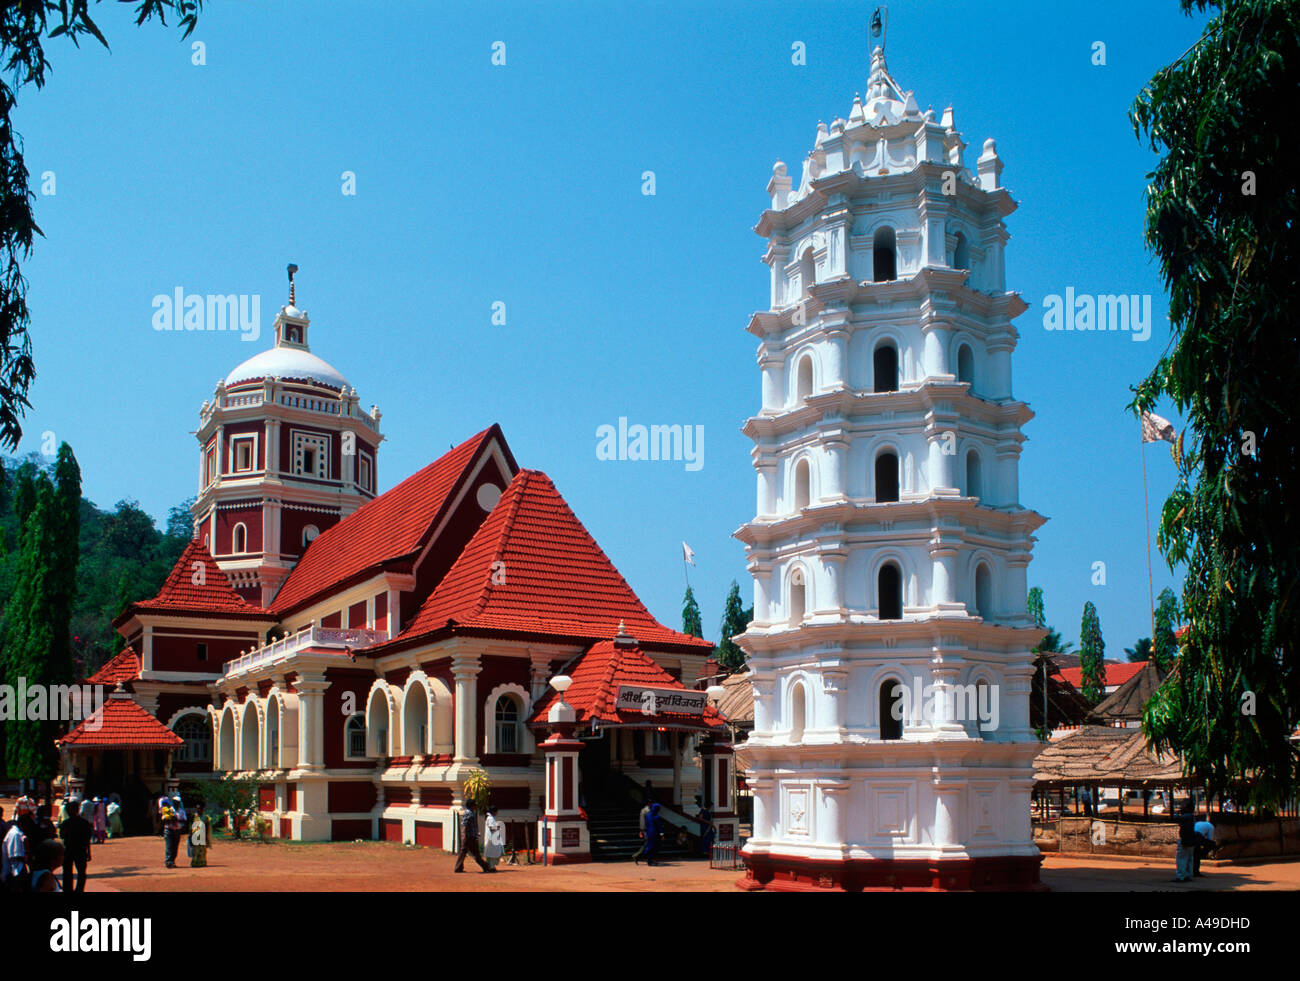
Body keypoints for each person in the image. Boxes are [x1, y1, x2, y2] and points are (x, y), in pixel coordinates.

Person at [59, 798, 94, 894]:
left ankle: (70, 889)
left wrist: (88, 852)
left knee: (70, 872)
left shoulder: (66, 823)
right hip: (77, 850)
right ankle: (77, 889)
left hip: (72, 850)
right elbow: (87, 839)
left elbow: (61, 836)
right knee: (78, 872)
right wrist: (88, 852)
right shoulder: (83, 823)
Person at [452, 804, 494, 873]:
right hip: (470, 837)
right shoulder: (469, 814)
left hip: (470, 836)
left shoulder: (469, 813)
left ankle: (458, 867)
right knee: (475, 853)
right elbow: (464, 824)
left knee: (464, 852)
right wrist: (465, 835)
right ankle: (486, 867)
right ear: (472, 806)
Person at [2, 815, 31, 888]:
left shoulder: (18, 833)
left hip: (17, 868)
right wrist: (28, 858)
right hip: (14, 870)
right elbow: (15, 855)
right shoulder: (15, 834)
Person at [1173, 800, 1198, 882]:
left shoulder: (1186, 816)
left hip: (1185, 839)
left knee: (1181, 858)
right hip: (1191, 839)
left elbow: (1175, 818)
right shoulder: (1191, 816)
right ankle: (1188, 875)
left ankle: (1181, 876)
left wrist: (1177, 812)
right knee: (1189, 858)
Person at [160, 795, 184, 868]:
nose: (177, 803)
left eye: (178, 802)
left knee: (175, 846)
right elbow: (163, 819)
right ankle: (168, 861)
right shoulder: (168, 810)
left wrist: (177, 820)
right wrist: (170, 819)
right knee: (169, 846)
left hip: (177, 830)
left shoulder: (181, 811)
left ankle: (172, 861)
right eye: (175, 802)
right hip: (169, 829)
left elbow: (184, 820)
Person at [189, 803, 213, 868]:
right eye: (197, 808)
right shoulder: (194, 816)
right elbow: (191, 827)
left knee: (202, 850)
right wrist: (190, 836)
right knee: (195, 850)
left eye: (199, 808)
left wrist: (207, 837)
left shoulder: (205, 817)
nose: (198, 810)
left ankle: (202, 862)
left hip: (202, 835)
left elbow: (207, 827)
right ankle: (195, 863)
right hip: (195, 835)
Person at [633, 796, 653, 865]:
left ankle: (637, 856)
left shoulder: (648, 810)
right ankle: (646, 859)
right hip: (647, 830)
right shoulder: (646, 811)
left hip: (649, 829)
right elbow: (643, 821)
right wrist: (642, 830)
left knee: (647, 844)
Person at [643, 802, 663, 867]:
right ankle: (650, 861)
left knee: (649, 846)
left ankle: (650, 860)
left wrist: (645, 833)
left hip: (648, 833)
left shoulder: (648, 815)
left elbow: (646, 824)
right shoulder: (657, 817)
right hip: (655, 834)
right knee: (654, 847)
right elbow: (659, 827)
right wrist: (662, 835)